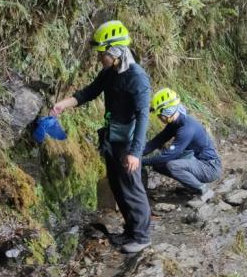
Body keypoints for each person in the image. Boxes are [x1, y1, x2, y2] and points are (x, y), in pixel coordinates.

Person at [52, 20, 152, 253]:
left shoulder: (137, 78)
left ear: (115, 52)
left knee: (132, 188)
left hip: (128, 142)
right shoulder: (110, 72)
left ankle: (142, 236)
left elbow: (143, 116)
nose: (99, 57)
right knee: (117, 186)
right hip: (112, 138)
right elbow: (89, 92)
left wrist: (135, 153)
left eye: (102, 53)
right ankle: (130, 231)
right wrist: (61, 106)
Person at [142, 88, 222, 201]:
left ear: (167, 111)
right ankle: (191, 185)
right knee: (158, 164)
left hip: (210, 167)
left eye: (160, 115)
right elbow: (156, 141)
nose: (159, 118)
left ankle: (203, 189)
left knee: (172, 165)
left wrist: (141, 162)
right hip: (197, 161)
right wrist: (135, 154)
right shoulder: (175, 123)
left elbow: (169, 156)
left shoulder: (186, 129)